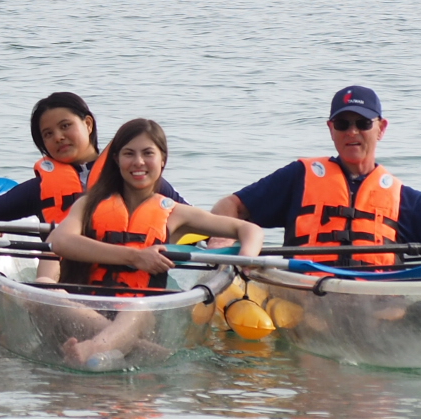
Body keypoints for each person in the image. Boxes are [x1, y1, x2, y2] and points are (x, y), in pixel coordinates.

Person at [44, 118, 264, 367]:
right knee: (43, 285)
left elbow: (248, 229)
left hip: (140, 313)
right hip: (84, 309)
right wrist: (135, 257)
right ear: (116, 160)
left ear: (163, 160)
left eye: (148, 153)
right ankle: (138, 348)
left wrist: (247, 260)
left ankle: (93, 348)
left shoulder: (176, 213)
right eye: (129, 154)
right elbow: (61, 241)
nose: (138, 162)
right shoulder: (88, 205)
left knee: (136, 308)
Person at [209, 85, 421, 263]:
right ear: (330, 129)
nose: (352, 132)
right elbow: (230, 206)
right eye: (343, 124)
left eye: (363, 123)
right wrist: (220, 236)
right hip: (308, 293)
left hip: (375, 302)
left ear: (381, 128)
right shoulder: (298, 177)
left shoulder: (402, 197)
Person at [0, 92, 184, 224]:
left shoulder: (131, 173)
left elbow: (187, 214)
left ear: (88, 124)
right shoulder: (39, 189)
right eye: (48, 134)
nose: (59, 137)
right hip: (64, 278)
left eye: (65, 126)